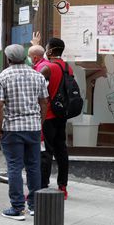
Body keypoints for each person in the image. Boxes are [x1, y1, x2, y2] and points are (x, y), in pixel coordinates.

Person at [0, 44, 49, 220]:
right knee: (33, 166)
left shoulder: (2, 77)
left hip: (12, 128)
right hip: (33, 127)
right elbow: (44, 103)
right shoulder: (37, 76)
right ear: (25, 57)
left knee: (14, 166)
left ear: (8, 59)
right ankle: (35, 205)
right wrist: (40, 121)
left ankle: (17, 208)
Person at [39, 37, 72, 198]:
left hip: (48, 115)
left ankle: (43, 186)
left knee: (46, 151)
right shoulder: (68, 67)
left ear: (50, 51)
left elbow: (37, 90)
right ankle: (63, 186)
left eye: (46, 47)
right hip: (62, 114)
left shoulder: (47, 68)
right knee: (61, 150)